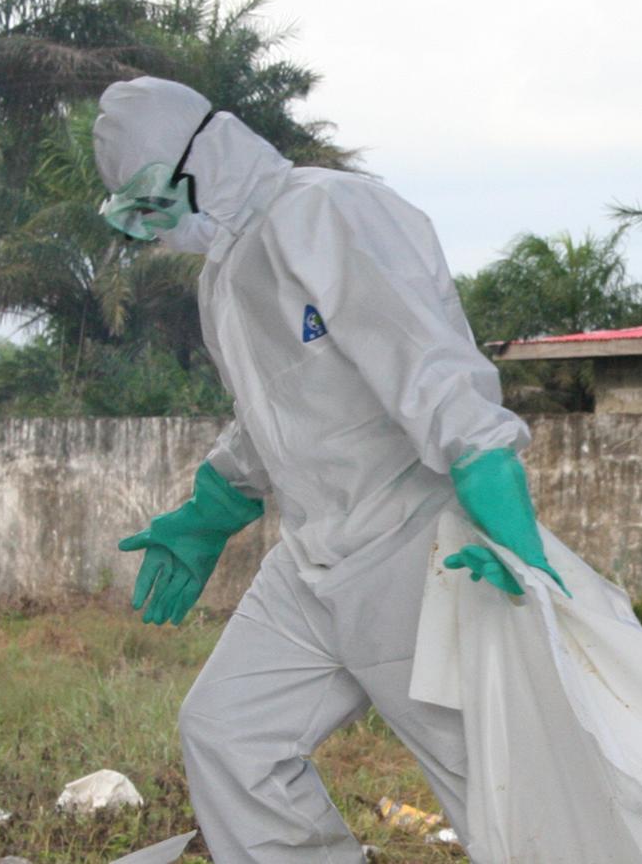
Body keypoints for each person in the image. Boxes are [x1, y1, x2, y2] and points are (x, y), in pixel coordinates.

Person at [96, 76, 573, 862]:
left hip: (410, 549)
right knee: (228, 732)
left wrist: (497, 492)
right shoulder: (225, 274)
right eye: (135, 217)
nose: (156, 230)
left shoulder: (326, 211)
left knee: (497, 785)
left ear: (203, 157)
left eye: (154, 202)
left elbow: (426, 361)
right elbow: (273, 413)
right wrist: (209, 511)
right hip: (314, 558)